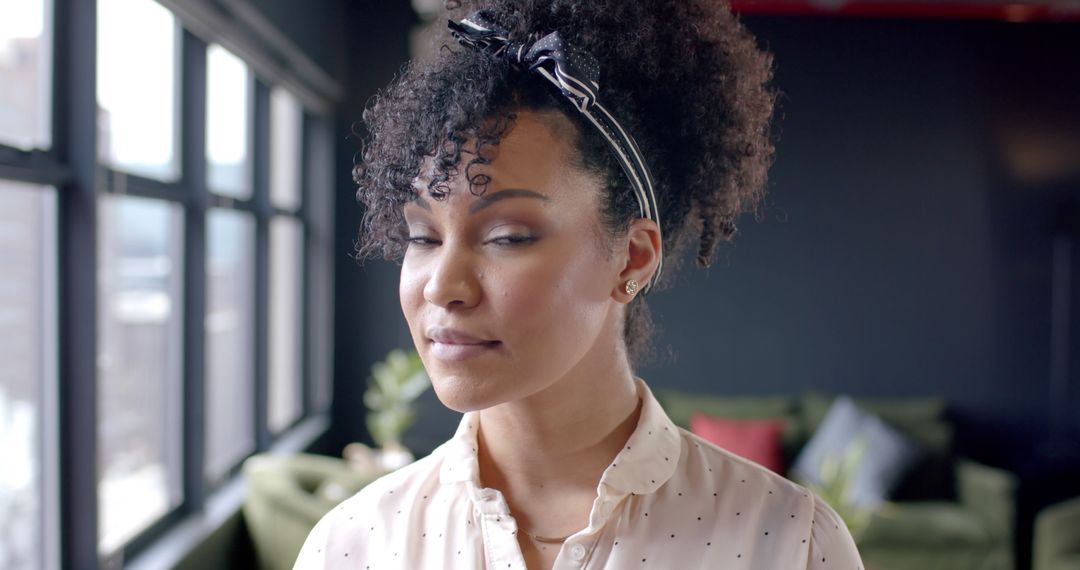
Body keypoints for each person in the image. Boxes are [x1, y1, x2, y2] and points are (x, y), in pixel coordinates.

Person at [296, 0, 863, 568]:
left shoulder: (791, 543)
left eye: (508, 236)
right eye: (422, 237)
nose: (443, 286)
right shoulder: (352, 545)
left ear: (632, 259)